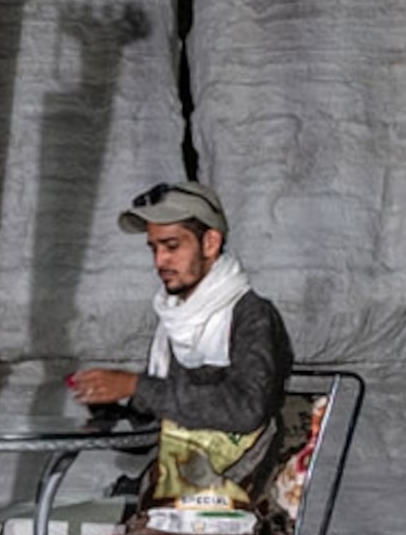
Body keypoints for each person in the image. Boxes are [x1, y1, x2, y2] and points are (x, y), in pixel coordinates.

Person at [66, 177, 295, 516]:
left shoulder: (252, 317)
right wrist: (111, 405)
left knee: (21, 534)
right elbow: (156, 431)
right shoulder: (176, 320)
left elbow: (247, 409)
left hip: (226, 508)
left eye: (172, 246)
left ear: (210, 243)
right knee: (1, 528)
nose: (160, 261)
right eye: (154, 248)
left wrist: (136, 386)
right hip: (168, 497)